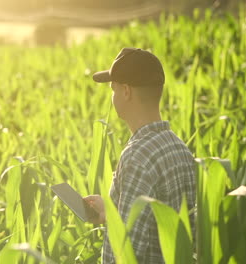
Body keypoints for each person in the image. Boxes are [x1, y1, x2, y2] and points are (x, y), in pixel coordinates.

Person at [83, 48, 196, 264]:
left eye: (113, 90)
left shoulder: (138, 156)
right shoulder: (179, 147)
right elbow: (155, 223)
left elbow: (125, 252)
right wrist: (111, 212)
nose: (113, 97)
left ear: (126, 91)